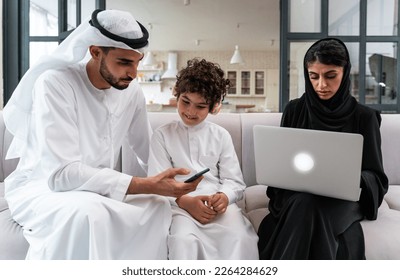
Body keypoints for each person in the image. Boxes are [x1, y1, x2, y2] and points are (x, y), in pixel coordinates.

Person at [3, 9, 202, 260]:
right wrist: (144, 185)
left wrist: (178, 190)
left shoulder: (131, 91)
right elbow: (60, 174)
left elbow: (146, 151)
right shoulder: (55, 84)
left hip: (97, 190)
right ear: (95, 51)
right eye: (124, 62)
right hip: (44, 187)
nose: (133, 72)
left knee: (157, 205)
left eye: (137, 62)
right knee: (88, 213)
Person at [257, 38, 389, 259]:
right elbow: (280, 163)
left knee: (306, 207)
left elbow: (375, 176)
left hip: (342, 202)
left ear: (344, 73)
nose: (321, 85)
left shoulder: (365, 117)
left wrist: (347, 178)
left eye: (330, 76)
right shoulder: (294, 110)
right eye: (313, 76)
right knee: (305, 202)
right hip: (297, 196)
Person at [147, 58, 259, 259]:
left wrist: (224, 197)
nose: (190, 112)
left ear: (214, 107)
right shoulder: (162, 135)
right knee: (183, 241)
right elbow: (158, 183)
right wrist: (185, 201)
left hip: (217, 206)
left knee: (241, 238)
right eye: (185, 102)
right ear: (177, 95)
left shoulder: (221, 135)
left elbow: (234, 182)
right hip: (179, 207)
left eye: (200, 106)